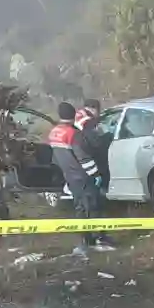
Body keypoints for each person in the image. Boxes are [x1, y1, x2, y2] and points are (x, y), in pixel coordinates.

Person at [46, 102, 110, 253]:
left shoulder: (54, 132)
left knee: (80, 208)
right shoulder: (73, 134)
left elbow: (56, 157)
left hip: (70, 177)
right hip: (83, 177)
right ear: (73, 115)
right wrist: (96, 174)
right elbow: (84, 158)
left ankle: (85, 240)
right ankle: (99, 239)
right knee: (93, 208)